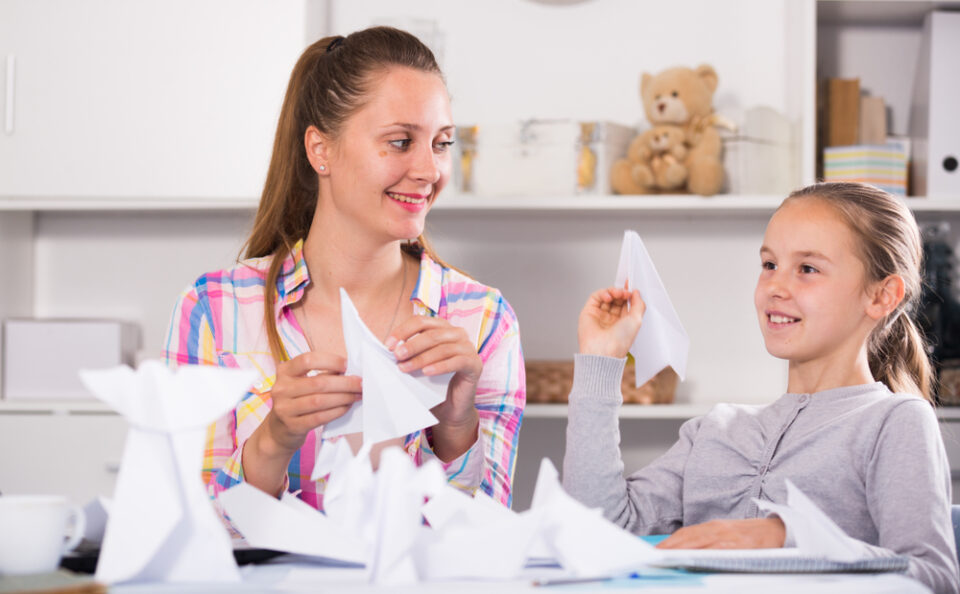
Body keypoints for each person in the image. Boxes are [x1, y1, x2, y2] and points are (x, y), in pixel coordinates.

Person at [163, 27, 525, 514]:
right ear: (321, 150)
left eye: (441, 144)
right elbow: (185, 526)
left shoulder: (481, 318)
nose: (430, 170)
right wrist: (273, 440)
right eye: (400, 142)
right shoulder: (213, 309)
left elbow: (485, 537)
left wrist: (456, 427)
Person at [563, 182, 959, 593]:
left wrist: (785, 538)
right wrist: (601, 360)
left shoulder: (894, 423)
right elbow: (595, 529)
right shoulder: (714, 431)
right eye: (769, 264)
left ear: (881, 296)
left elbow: (934, 577)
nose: (775, 286)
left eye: (807, 269)